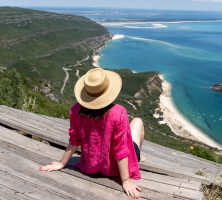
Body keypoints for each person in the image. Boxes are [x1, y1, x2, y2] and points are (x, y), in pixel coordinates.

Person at [39, 67, 144, 199]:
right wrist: (126, 181)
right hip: (114, 170)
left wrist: (62, 163)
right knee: (138, 122)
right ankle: (137, 157)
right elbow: (121, 150)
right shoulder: (118, 112)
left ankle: (136, 156)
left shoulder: (75, 110)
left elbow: (74, 140)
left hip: (90, 166)